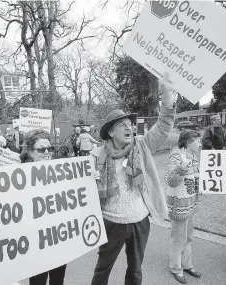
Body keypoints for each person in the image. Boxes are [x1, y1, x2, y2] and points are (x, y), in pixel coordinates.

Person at [90, 78, 175, 285]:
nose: (129, 128)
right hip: (110, 223)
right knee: (102, 270)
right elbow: (80, 190)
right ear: (111, 131)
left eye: (130, 124)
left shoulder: (142, 146)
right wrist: (88, 181)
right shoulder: (95, 156)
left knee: (135, 271)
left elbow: (163, 128)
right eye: (122, 125)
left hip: (139, 222)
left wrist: (167, 97)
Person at [0, 129, 69, 285]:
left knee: (58, 280)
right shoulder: (17, 177)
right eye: (41, 149)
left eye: (50, 148)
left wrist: (90, 178)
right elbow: (1, 202)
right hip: (35, 243)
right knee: (38, 281)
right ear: (31, 152)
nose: (47, 152)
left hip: (58, 240)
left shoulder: (63, 172)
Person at [165, 131, 203, 283]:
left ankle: (187, 264)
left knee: (188, 237)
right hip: (179, 205)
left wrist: (200, 186)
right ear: (188, 142)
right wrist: (182, 167)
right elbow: (171, 181)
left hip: (190, 203)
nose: (200, 144)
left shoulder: (193, 155)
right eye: (198, 141)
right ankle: (176, 268)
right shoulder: (176, 156)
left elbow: (194, 176)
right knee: (178, 239)